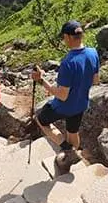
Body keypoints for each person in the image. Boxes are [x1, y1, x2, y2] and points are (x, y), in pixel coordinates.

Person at [32, 20, 100, 176]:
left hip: (64, 106)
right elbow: (95, 80)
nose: (63, 40)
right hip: (81, 103)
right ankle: (70, 158)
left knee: (41, 119)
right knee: (72, 131)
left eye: (63, 37)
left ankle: (67, 150)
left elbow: (62, 95)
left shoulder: (68, 62)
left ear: (68, 37)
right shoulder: (93, 53)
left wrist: (41, 80)